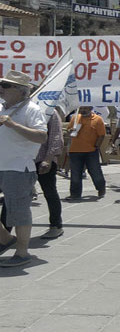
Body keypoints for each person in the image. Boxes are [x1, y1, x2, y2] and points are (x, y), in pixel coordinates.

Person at [0, 71, 49, 267]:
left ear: (21, 91)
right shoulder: (1, 107)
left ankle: (22, 252)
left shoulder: (32, 109)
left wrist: (13, 125)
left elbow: (41, 137)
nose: (1, 88)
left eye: (6, 85)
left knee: (19, 211)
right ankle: (6, 238)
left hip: (18, 167)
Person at [64, 106, 107, 200]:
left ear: (91, 108)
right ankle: (75, 194)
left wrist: (96, 146)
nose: (83, 110)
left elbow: (102, 135)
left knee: (95, 172)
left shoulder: (98, 119)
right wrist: (70, 131)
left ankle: (101, 188)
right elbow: (68, 130)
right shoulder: (75, 118)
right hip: (75, 150)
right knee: (75, 174)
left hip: (91, 151)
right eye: (81, 108)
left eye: (85, 109)